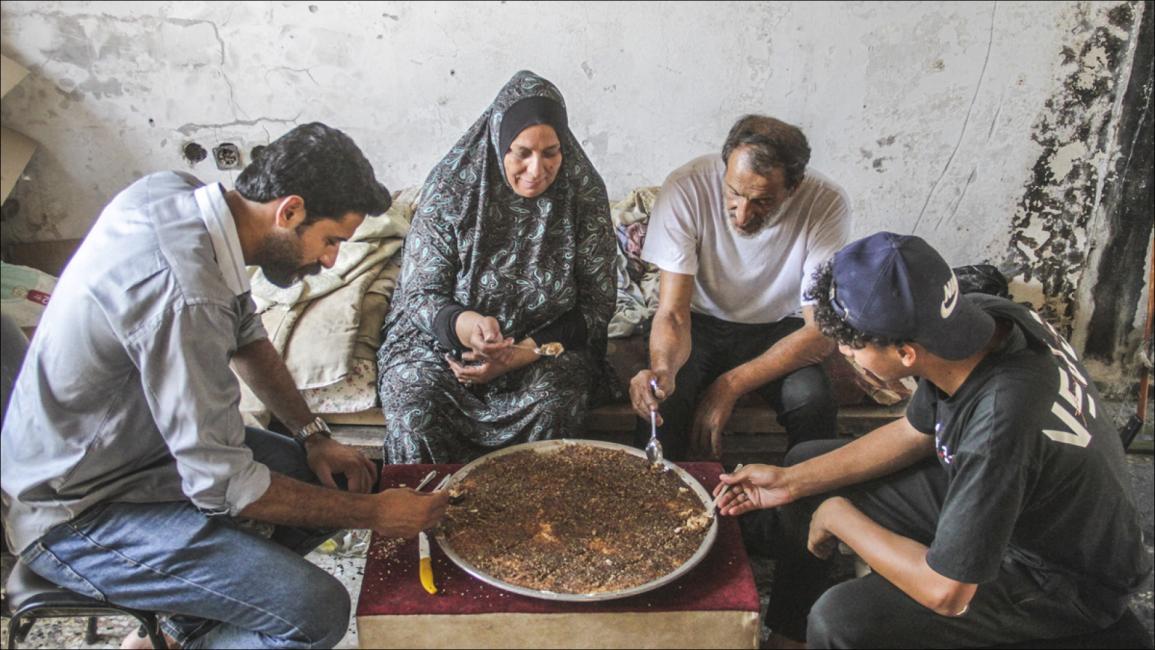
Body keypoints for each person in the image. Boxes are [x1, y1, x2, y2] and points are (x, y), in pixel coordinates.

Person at [1, 123, 450, 649]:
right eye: (330, 241)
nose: (330, 260)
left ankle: (179, 629)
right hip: (76, 512)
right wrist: (375, 516)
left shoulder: (179, 195)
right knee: (317, 611)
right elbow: (224, 486)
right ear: (289, 211)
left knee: (341, 480)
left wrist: (313, 434)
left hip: (138, 456)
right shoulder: (185, 295)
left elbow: (248, 335)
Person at [716, 232, 1152, 648]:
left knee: (841, 619)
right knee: (809, 464)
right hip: (1020, 502)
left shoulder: (998, 425)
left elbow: (948, 592)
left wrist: (838, 517)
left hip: (1061, 577)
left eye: (851, 350)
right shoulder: (979, 319)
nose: (845, 357)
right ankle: (791, 634)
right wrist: (791, 480)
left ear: (905, 353)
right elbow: (916, 431)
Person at [377, 70, 616, 464]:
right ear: (498, 142)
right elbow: (420, 294)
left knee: (555, 400)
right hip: (442, 347)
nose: (537, 169)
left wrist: (526, 350)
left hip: (542, 347)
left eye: (551, 152)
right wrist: (469, 327)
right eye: (522, 152)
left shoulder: (583, 193)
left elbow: (598, 304)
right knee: (415, 399)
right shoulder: (452, 190)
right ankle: (419, 519)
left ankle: (538, 524)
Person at [628, 115, 850, 460]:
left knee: (811, 401)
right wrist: (662, 372)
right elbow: (672, 312)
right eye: (733, 193)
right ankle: (653, 504)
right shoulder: (687, 186)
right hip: (697, 321)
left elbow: (820, 332)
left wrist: (728, 387)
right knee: (663, 402)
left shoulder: (826, 203)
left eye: (762, 201)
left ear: (793, 187)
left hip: (780, 327)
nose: (742, 215)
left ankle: (807, 507)